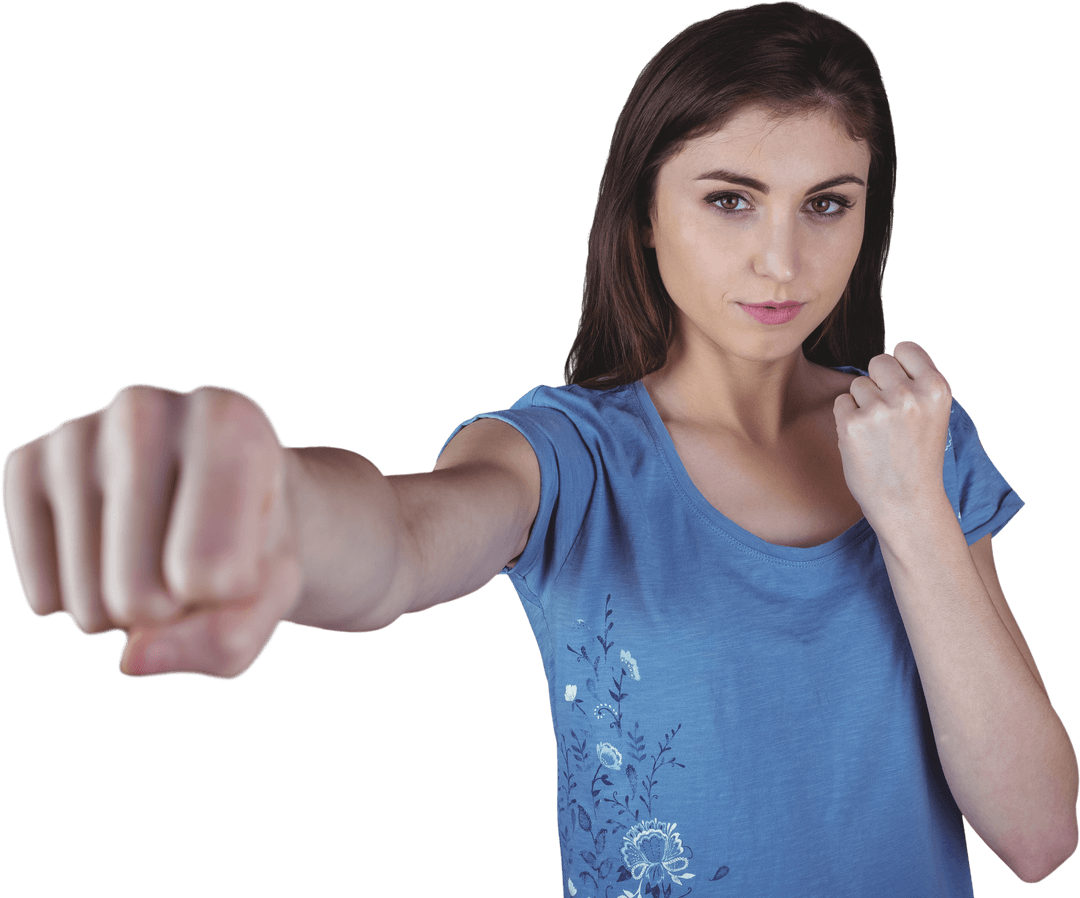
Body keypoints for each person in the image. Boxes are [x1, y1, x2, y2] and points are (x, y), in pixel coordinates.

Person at [3, 2, 1076, 895]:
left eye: (827, 204)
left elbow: (1036, 832)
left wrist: (913, 514)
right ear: (645, 216)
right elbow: (403, 538)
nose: (782, 257)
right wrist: (278, 505)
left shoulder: (913, 437)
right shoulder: (570, 454)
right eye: (731, 199)